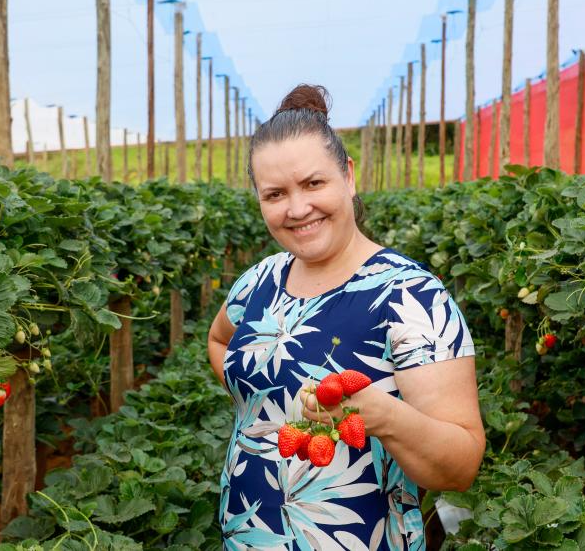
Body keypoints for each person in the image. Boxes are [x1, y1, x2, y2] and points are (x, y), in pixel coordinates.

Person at [207, 84, 485, 550]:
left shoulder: (409, 296)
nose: (297, 209)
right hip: (247, 533)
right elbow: (219, 341)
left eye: (314, 184)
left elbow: (461, 466)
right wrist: (261, 408)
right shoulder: (260, 280)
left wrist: (384, 417)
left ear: (348, 176)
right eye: (275, 194)